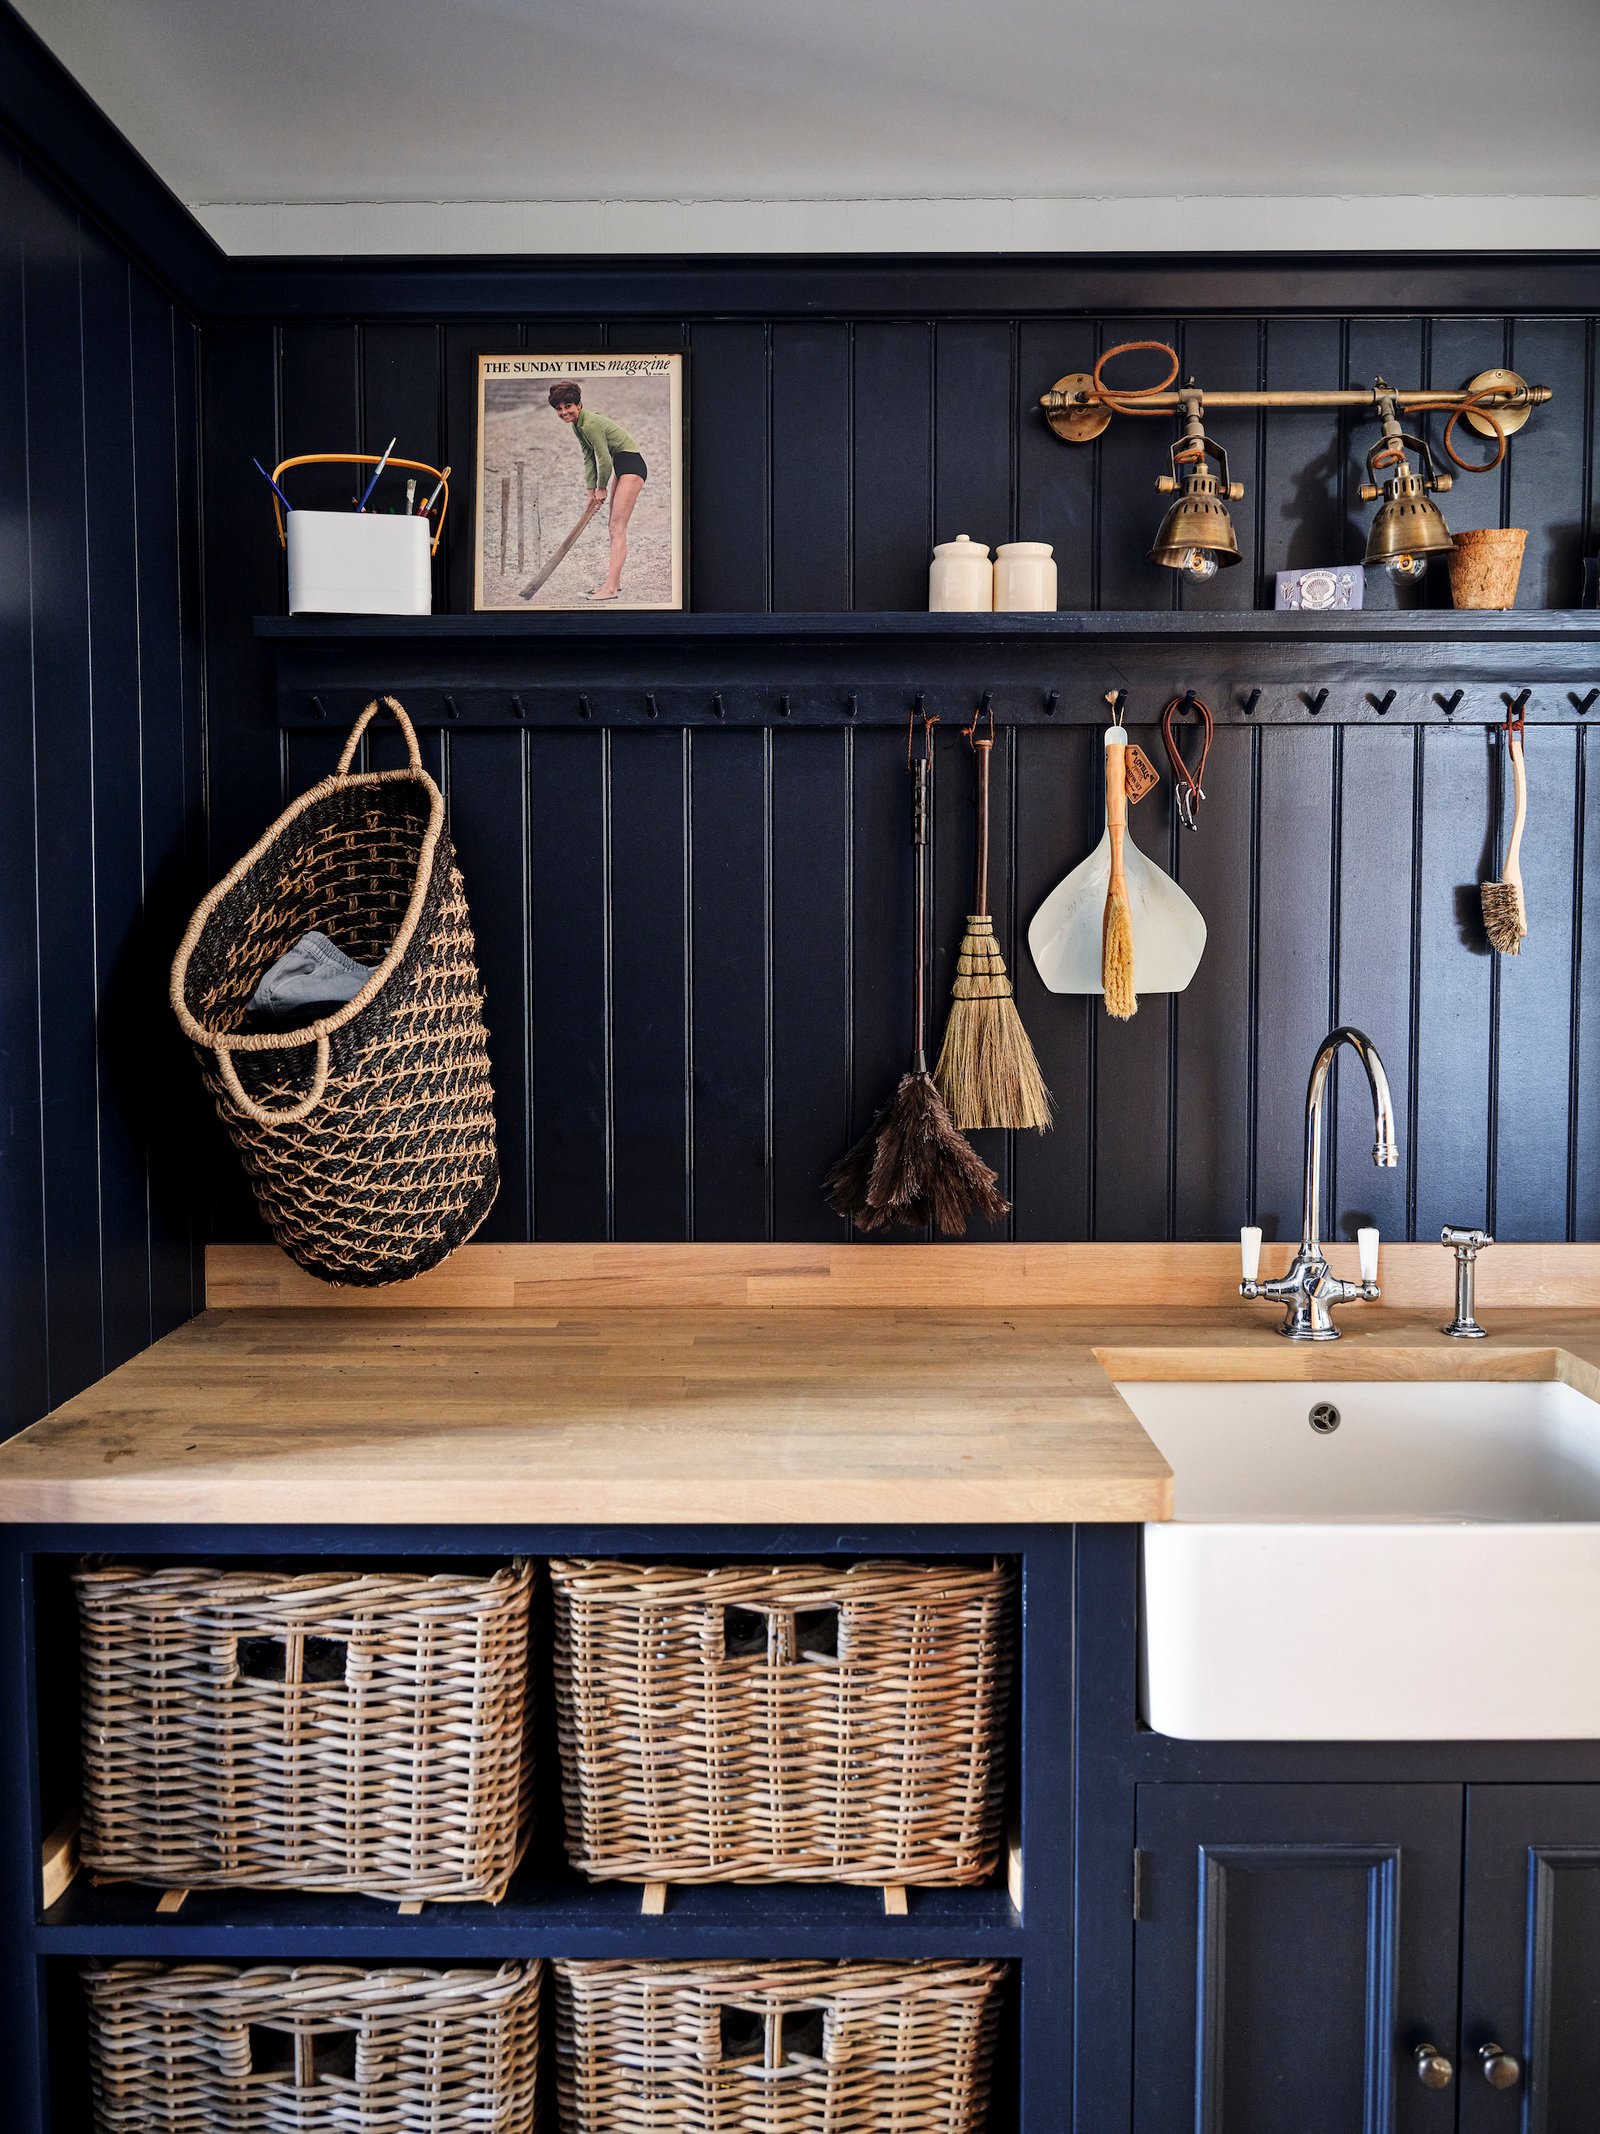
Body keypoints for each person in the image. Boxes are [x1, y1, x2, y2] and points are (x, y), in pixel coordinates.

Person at [547, 380, 647, 601]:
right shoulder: (578, 425)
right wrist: (590, 491)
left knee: (616, 528)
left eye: (568, 406)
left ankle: (610, 589)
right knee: (614, 527)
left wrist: (602, 487)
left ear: (579, 404)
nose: (564, 412)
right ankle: (614, 584)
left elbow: (603, 459)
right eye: (559, 409)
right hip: (622, 466)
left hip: (630, 466)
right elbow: (588, 458)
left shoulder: (590, 423)